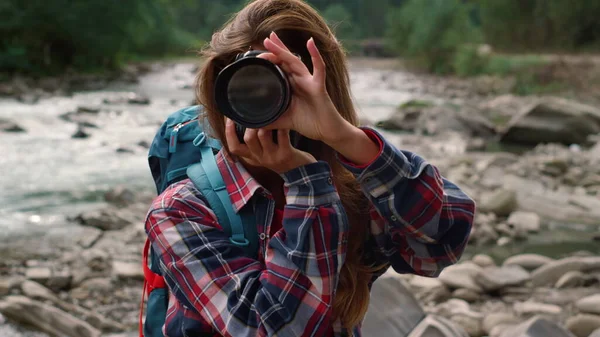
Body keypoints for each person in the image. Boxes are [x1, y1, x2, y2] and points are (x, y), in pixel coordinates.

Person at [144, 0, 476, 336]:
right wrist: (306, 187)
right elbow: (276, 329)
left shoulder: (358, 187)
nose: (263, 95)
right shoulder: (182, 209)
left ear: (322, 85)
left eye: (282, 81)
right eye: (246, 84)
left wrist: (347, 137)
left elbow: (442, 244)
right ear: (220, 91)